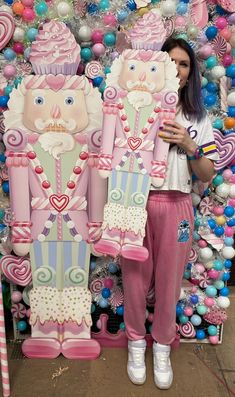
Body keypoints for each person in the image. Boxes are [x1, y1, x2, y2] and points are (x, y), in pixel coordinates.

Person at [120, 37, 219, 389]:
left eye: (184, 64)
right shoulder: (137, 107)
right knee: (133, 277)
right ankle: (135, 342)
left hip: (177, 204)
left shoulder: (197, 116)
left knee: (168, 281)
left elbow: (207, 174)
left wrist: (189, 145)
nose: (176, 69)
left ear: (190, 72)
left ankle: (161, 345)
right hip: (135, 202)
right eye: (170, 61)